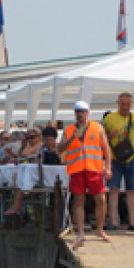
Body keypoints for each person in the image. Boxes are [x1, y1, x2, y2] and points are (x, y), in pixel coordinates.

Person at [58, 100, 112, 246]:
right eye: (77, 112)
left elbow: (106, 148)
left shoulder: (97, 127)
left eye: (82, 111)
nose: (80, 114)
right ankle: (81, 233)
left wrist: (108, 167)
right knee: (79, 201)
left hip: (94, 168)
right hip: (77, 169)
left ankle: (100, 229)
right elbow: (60, 148)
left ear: (88, 112)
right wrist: (71, 138)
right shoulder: (69, 129)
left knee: (101, 199)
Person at [103, 92, 134, 231]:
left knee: (131, 190)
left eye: (128, 104)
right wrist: (110, 136)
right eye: (123, 104)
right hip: (115, 158)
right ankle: (113, 222)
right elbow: (101, 139)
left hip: (132, 157)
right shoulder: (109, 118)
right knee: (114, 190)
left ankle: (132, 222)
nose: (125, 107)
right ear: (118, 103)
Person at [4, 127, 62, 216]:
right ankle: (17, 203)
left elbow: (24, 155)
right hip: (42, 178)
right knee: (19, 176)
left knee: (20, 176)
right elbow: (31, 162)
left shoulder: (59, 148)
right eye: (46, 140)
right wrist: (24, 146)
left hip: (57, 179)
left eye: (50, 140)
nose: (48, 142)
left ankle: (18, 203)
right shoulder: (40, 149)